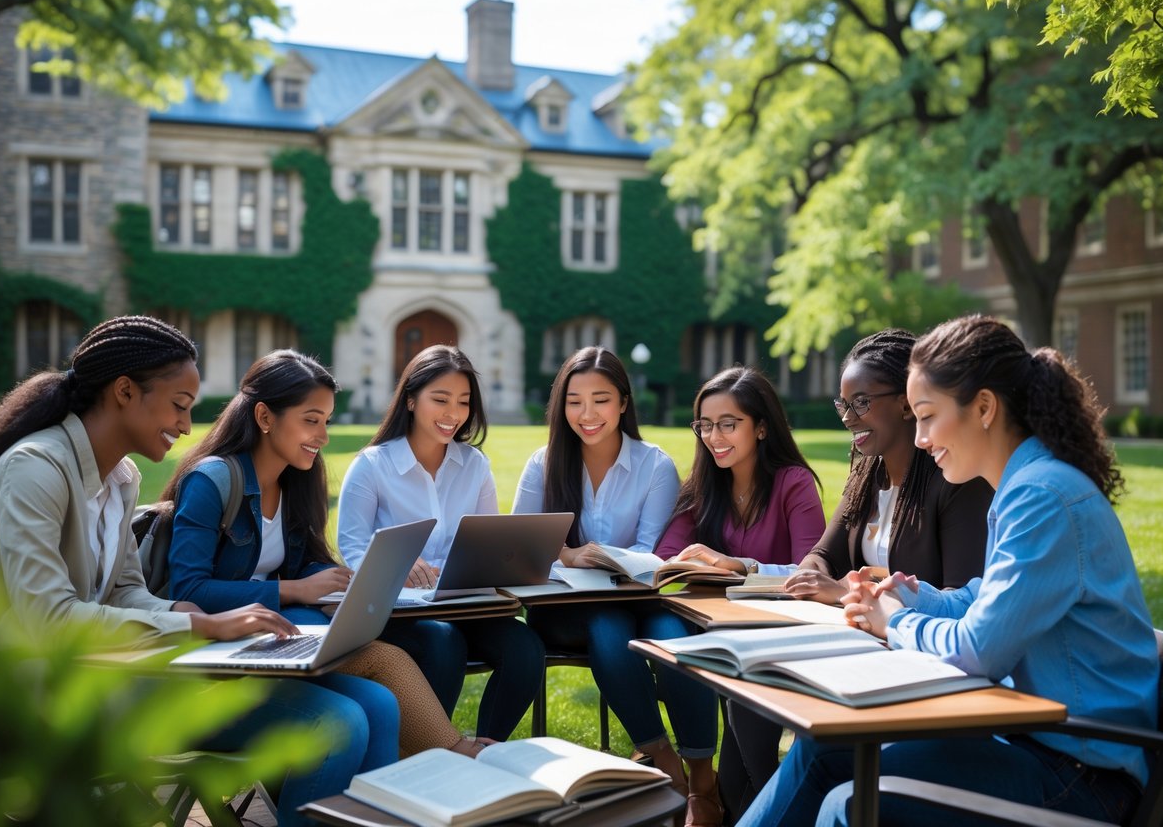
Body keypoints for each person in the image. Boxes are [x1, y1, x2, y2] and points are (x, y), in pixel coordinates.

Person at [0, 316, 396, 827]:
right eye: (179, 405)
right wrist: (197, 624)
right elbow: (47, 618)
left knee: (375, 703)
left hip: (120, 672)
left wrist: (178, 608)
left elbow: (126, 590)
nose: (188, 426)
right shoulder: (36, 468)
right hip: (47, 697)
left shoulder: (121, 476)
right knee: (338, 722)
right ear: (125, 392)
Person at [739, 315, 1158, 827]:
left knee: (849, 804)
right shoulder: (1025, 487)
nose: (919, 438)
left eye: (928, 416)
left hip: (1080, 774)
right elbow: (984, 598)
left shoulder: (1042, 496)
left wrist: (896, 620)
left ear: (983, 408)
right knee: (821, 750)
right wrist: (912, 595)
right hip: (1035, 746)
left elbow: (980, 649)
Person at [718, 330, 993, 821]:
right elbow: (821, 556)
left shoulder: (954, 481)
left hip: (911, 656)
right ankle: (750, 805)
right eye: (843, 404)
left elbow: (961, 596)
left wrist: (845, 589)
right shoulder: (866, 473)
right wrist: (815, 579)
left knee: (785, 731)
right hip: (855, 636)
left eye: (861, 402)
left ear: (907, 403)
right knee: (747, 688)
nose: (848, 417)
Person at [165, 349, 485, 759]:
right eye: (311, 421)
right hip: (222, 649)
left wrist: (339, 583)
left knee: (386, 693)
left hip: (278, 632)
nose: (323, 436)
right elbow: (188, 591)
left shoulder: (297, 479)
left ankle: (430, 765)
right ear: (264, 417)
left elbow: (306, 560)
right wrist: (295, 590)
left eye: (326, 422)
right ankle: (456, 753)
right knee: (384, 665)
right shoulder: (211, 482)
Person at [511, 346, 720, 827]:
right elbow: (521, 547)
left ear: (624, 402)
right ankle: (664, 761)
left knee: (675, 637)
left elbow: (651, 551)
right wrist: (567, 555)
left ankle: (703, 779)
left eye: (601, 400)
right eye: (574, 401)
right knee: (607, 626)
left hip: (641, 601)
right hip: (564, 609)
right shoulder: (543, 464)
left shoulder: (653, 465)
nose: (587, 414)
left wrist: (610, 560)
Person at [337, 344, 545, 741]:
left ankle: (486, 749)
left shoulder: (474, 465)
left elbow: (488, 543)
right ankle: (433, 749)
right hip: (398, 614)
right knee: (443, 644)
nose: (454, 413)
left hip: (463, 606)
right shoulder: (372, 466)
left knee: (525, 648)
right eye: (441, 399)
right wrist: (396, 565)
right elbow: (353, 548)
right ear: (411, 399)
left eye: (464, 402)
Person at [656, 366, 825, 574]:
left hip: (778, 597)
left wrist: (741, 566)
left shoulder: (794, 483)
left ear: (761, 428)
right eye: (706, 425)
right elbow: (666, 556)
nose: (714, 438)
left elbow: (811, 573)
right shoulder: (701, 486)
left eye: (727, 424)